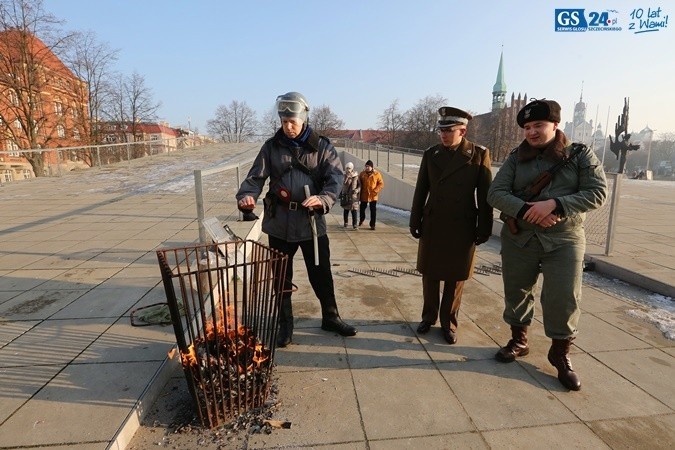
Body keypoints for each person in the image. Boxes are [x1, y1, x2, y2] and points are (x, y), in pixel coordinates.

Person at [487, 99, 607, 391]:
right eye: (527, 127)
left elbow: (598, 192)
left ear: (556, 124)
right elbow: (496, 192)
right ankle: (519, 340)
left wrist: (556, 204)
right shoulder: (517, 158)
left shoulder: (579, 155)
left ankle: (560, 354)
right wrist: (530, 209)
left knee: (564, 297)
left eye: (538, 125)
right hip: (521, 239)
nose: (531, 132)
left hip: (564, 240)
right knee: (516, 290)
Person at [236, 91, 357, 348]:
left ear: (303, 119)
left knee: (321, 273)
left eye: (292, 121)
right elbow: (255, 177)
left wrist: (323, 199)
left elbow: (335, 178)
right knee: (281, 277)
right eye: (283, 122)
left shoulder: (321, 146)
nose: (288, 127)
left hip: (311, 222)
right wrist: (247, 196)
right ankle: (285, 324)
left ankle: (331, 317)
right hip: (279, 222)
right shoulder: (271, 147)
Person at [409, 106, 493, 345]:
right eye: (441, 130)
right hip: (434, 222)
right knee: (430, 274)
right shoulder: (431, 154)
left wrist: (484, 228)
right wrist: (415, 220)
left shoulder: (478, 154)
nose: (443, 135)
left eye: (449, 130)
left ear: (463, 131)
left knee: (455, 278)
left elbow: (485, 195)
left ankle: (449, 323)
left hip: (462, 225)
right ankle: (428, 317)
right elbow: (421, 190)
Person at [358, 160, 384, 230]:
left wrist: (376, 190)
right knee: (362, 209)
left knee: (373, 210)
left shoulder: (377, 174)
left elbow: (381, 183)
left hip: (373, 195)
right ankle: (361, 219)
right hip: (364, 194)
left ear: (372, 167)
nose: (367, 168)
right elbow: (359, 183)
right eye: (366, 166)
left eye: (368, 166)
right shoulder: (362, 174)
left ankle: (372, 224)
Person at [340, 161, 360, 229]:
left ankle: (354, 224)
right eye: (347, 168)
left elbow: (360, 186)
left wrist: (357, 190)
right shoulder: (343, 175)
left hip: (353, 196)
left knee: (354, 210)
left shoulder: (356, 176)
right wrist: (347, 178)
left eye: (349, 168)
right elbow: (342, 184)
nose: (348, 170)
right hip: (346, 195)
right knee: (346, 210)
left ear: (352, 168)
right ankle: (345, 223)